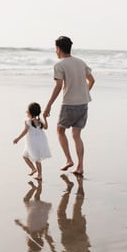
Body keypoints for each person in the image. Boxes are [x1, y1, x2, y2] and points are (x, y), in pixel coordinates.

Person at [43, 36, 95, 175]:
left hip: (69, 104)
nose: (55, 51)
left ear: (59, 49)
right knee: (77, 135)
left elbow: (58, 86)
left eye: (56, 49)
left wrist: (48, 105)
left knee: (60, 131)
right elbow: (92, 80)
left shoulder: (59, 65)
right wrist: (82, 93)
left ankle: (68, 160)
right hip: (83, 104)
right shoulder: (81, 62)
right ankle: (80, 166)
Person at [13, 102, 52, 180]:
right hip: (40, 142)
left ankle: (36, 172)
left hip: (31, 142)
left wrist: (18, 138)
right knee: (32, 158)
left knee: (30, 157)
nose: (26, 112)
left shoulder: (28, 121)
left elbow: (25, 131)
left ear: (30, 112)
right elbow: (46, 127)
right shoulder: (39, 120)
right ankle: (36, 172)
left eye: (27, 110)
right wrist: (45, 118)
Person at [14, 179, 53, 252]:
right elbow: (24, 227)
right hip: (33, 213)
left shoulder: (41, 233)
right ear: (30, 241)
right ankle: (34, 188)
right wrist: (18, 223)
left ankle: (37, 186)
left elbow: (46, 225)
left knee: (36, 197)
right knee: (27, 199)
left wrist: (45, 224)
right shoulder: (31, 233)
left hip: (37, 213)